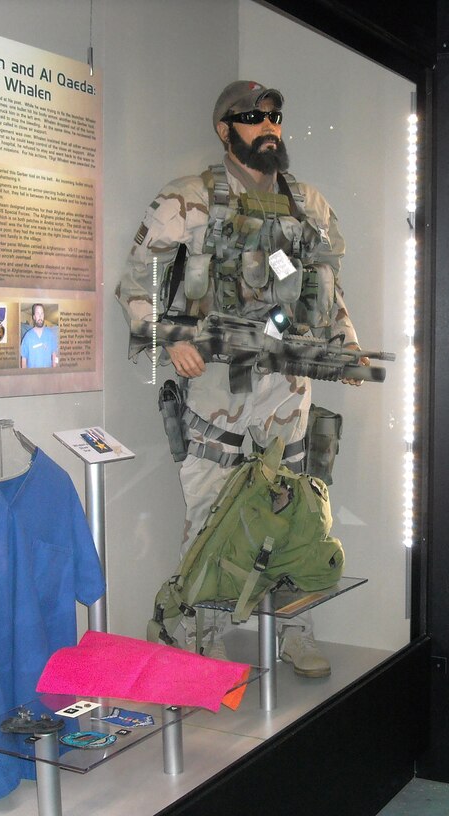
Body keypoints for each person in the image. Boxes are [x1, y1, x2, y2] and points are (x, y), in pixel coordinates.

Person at [116, 80, 366, 677]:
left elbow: (327, 286)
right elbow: (135, 284)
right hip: (216, 386)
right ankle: (204, 638)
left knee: (298, 509)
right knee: (211, 512)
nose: (268, 126)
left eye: (274, 115)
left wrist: (346, 345)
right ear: (225, 131)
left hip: (289, 383)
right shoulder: (187, 201)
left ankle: (296, 631)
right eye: (252, 117)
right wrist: (172, 337)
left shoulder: (310, 204)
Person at [19, 303, 58, 368]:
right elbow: (23, 359)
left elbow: (54, 355)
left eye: (42, 313)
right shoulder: (27, 337)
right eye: (37, 313)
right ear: (34, 317)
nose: (40, 316)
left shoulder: (50, 335)